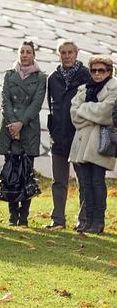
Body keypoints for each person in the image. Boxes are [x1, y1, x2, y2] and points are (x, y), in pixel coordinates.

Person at [0, 41, 46, 227]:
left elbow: (37, 103)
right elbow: (5, 100)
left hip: (28, 130)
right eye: (22, 52)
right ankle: (12, 215)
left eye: (28, 52)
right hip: (10, 130)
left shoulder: (41, 77)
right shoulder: (9, 75)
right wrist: (12, 125)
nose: (25, 55)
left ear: (34, 55)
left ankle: (24, 216)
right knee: (10, 172)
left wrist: (21, 124)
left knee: (26, 173)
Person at [69, 55, 117, 234]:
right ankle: (87, 220)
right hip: (83, 142)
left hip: (100, 142)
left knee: (97, 181)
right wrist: (90, 114)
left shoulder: (114, 88)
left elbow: (107, 113)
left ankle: (98, 221)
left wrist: (84, 110)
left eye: (101, 70)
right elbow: (73, 113)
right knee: (86, 183)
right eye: (94, 70)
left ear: (108, 72)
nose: (97, 74)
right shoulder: (84, 88)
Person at [45, 40, 90, 230]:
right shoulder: (53, 78)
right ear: (59, 55)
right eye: (63, 52)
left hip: (79, 136)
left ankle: (84, 220)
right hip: (59, 137)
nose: (67, 56)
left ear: (77, 53)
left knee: (84, 181)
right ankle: (58, 220)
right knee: (58, 181)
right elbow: (51, 105)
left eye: (70, 52)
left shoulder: (86, 75)